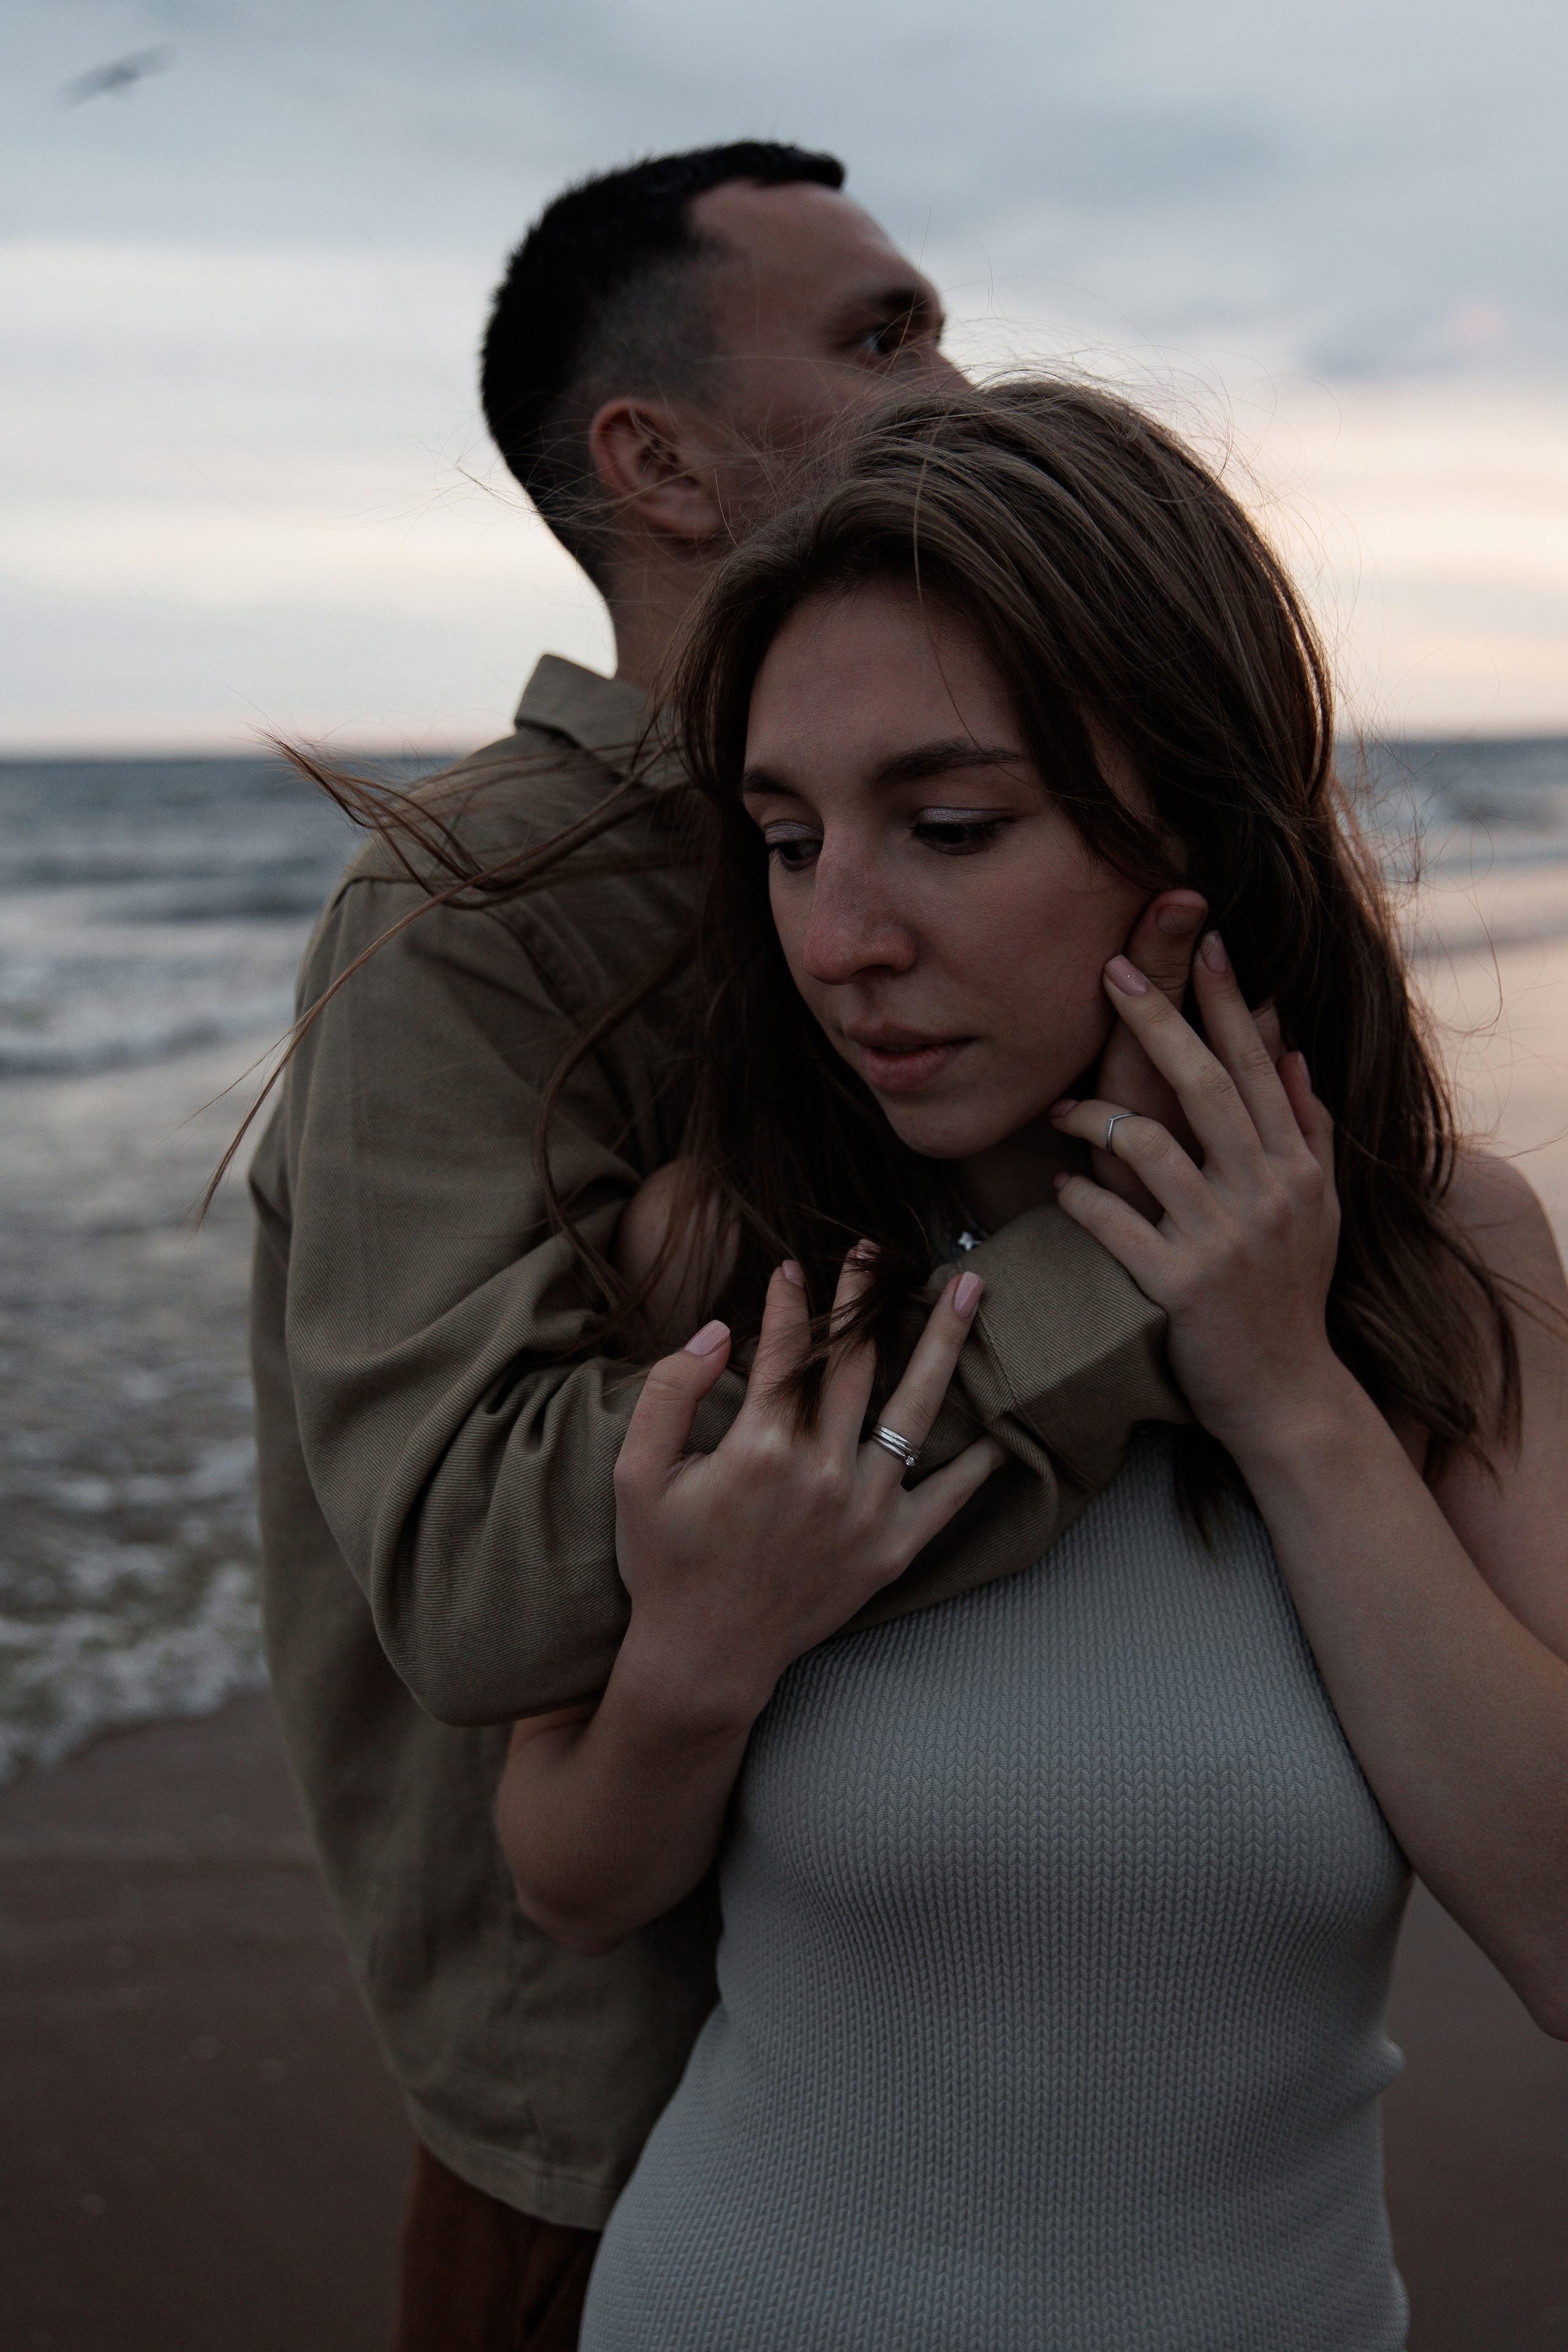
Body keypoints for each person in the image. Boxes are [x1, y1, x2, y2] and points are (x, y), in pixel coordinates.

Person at [492, 378, 1568, 2350]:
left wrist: (1290, 1399)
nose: (839, 938)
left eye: (951, 825)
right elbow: (566, 1879)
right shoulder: (724, 1249)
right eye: (789, 839)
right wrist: (704, 1655)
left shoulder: (1440, 1259)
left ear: (1201, 819)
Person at [249, 153, 1202, 2351]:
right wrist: (1127, 1280)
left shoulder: (1025, 844)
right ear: (655, 463)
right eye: (883, 339)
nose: (959, 380)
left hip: (993, 2070)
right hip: (624, 2117)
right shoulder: (477, 910)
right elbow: (483, 1557)